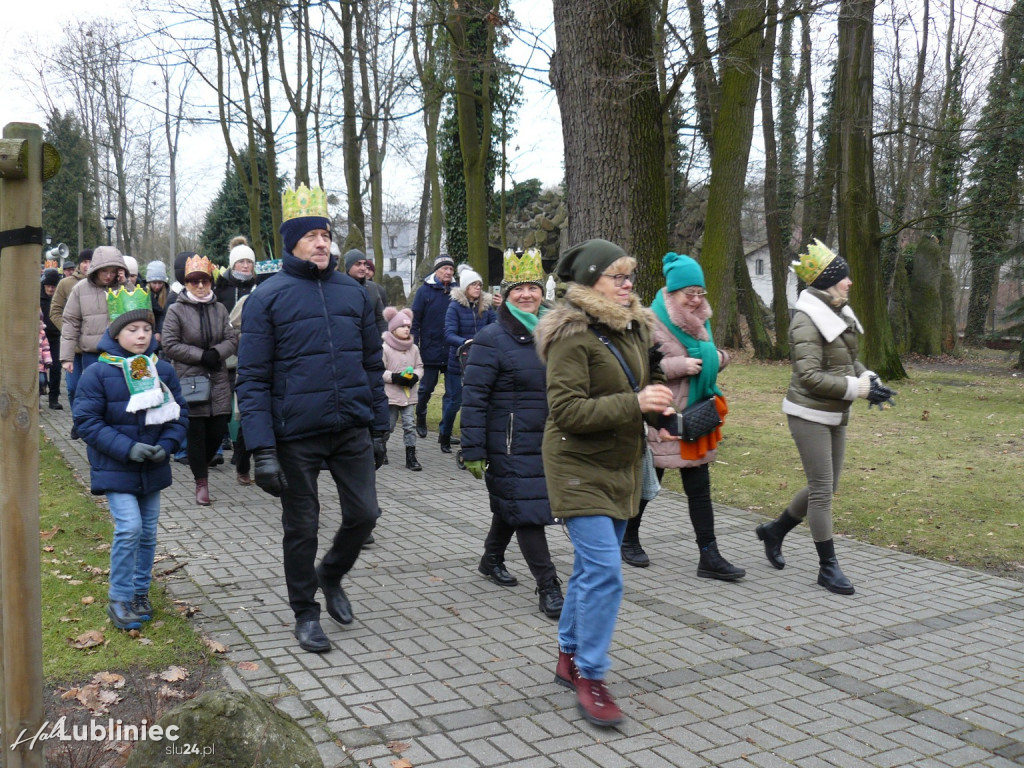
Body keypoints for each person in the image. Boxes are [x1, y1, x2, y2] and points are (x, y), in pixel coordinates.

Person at [236, 184, 389, 654]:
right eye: (311, 236)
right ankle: (306, 612)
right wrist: (262, 451)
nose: (322, 243)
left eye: (325, 234)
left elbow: (370, 363)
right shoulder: (268, 298)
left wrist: (379, 426)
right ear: (291, 243)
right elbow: (253, 378)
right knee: (302, 527)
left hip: (350, 428)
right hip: (295, 433)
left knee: (365, 514)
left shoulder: (355, 294)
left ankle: (332, 573)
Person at [535, 238, 674, 728]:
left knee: (592, 571)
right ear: (591, 280)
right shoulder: (571, 335)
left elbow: (647, 368)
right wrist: (635, 404)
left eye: (630, 275)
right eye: (617, 276)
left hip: (620, 461)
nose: (628, 283)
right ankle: (590, 676)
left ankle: (568, 655)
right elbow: (566, 411)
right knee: (605, 573)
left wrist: (658, 404)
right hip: (576, 464)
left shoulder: (632, 324)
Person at [756, 239, 895, 596]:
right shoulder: (807, 320)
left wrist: (869, 379)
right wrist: (856, 389)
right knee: (822, 491)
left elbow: (847, 362)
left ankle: (775, 531)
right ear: (828, 279)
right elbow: (809, 376)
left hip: (834, 411)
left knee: (827, 486)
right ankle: (827, 568)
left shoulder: (836, 311)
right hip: (808, 413)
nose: (849, 282)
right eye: (843, 277)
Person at [623, 252, 745, 580]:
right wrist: (681, 366)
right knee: (651, 483)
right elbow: (640, 367)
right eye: (688, 293)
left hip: (697, 414)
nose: (695, 300)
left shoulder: (700, 318)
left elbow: (711, 354)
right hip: (664, 415)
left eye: (699, 292)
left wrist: (718, 358)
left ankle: (709, 554)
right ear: (672, 291)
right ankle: (628, 537)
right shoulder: (650, 320)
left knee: (699, 487)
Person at [73, 284, 187, 630]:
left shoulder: (161, 370)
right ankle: (119, 598)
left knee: (149, 532)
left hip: (152, 466)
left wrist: (166, 446)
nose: (141, 336)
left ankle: (140, 591)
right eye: (132, 329)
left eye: (147, 329)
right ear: (116, 332)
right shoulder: (97, 372)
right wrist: (128, 448)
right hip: (116, 466)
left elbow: (178, 416)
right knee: (130, 528)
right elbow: (87, 422)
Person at [461, 248, 564, 619]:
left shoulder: (558, 332)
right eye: (519, 288)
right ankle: (549, 585)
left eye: (533, 288)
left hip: (549, 439)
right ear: (505, 294)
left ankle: (491, 559)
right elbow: (473, 397)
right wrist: (472, 448)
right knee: (529, 512)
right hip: (508, 441)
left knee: (517, 504)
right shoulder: (492, 337)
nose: (527, 295)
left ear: (542, 292)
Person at [161, 255, 238, 506]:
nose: (201, 286)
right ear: (186, 283)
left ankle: (200, 464)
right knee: (196, 431)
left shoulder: (219, 308)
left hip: (217, 377)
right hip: (190, 378)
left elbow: (231, 338)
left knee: (217, 429)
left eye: (204, 281)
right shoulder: (176, 310)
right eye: (194, 282)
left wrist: (217, 353)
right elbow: (170, 344)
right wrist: (199, 356)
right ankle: (201, 483)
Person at [60, 246, 128, 438]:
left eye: (113, 271)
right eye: (105, 271)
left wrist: (127, 286)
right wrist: (67, 357)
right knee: (91, 395)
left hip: (118, 353)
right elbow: (70, 321)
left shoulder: (123, 288)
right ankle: (88, 427)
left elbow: (137, 311)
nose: (109, 276)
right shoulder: (80, 289)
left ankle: (112, 430)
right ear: (96, 269)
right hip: (92, 353)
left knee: (115, 396)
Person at [438, 266, 496, 453]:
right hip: (458, 361)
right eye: (473, 285)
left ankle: (471, 439)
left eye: (479, 284)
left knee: (477, 402)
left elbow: (495, 327)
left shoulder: (486, 307)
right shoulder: (454, 306)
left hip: (480, 361)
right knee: (455, 401)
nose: (478, 288)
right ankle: (444, 434)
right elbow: (448, 333)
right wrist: (465, 342)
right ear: (465, 287)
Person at [411, 254, 456, 438]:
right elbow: (415, 321)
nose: (448, 272)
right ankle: (420, 417)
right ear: (437, 270)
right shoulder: (425, 291)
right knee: (426, 388)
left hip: (452, 349)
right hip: (430, 347)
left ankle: (445, 430)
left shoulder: (457, 290)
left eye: (451, 269)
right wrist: (414, 345)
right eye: (445, 268)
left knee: (452, 393)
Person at [381, 307, 424, 471]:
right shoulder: (385, 349)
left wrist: (415, 377)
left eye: (408, 327)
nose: (406, 329)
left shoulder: (414, 348)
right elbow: (379, 371)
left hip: (408, 394)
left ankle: (411, 456)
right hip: (391, 395)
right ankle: (381, 448)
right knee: (389, 425)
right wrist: (394, 377)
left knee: (409, 424)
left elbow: (420, 367)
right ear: (393, 329)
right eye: (402, 326)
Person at [50, 248, 93, 409]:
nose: (87, 265)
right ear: (79, 264)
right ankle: (78, 419)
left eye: (90, 261)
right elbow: (55, 311)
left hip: (93, 346)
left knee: (92, 387)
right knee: (73, 387)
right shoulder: (66, 283)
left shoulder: (102, 283)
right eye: (84, 262)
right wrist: (69, 330)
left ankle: (87, 420)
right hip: (73, 348)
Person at [343, 248, 388, 336]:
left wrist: (384, 339)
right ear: (348, 267)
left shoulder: (373, 288)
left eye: (364, 264)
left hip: (371, 341)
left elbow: (381, 319)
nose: (363, 268)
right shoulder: (339, 287)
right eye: (358, 264)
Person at [214, 237, 259, 315]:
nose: (245, 265)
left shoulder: (259, 287)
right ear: (233, 265)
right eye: (241, 262)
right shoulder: (221, 289)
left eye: (249, 262)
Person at [40, 268, 64, 409]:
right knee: (39, 369)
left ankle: (53, 398)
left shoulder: (60, 298)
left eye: (53, 286)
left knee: (56, 368)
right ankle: (37, 397)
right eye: (48, 286)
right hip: (40, 338)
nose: (50, 288)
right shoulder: (37, 297)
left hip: (55, 337)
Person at [143, 260, 170, 343]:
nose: (157, 286)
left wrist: (159, 331)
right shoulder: (143, 294)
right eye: (154, 283)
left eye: (160, 283)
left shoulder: (169, 295)